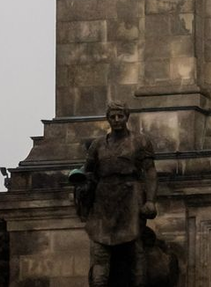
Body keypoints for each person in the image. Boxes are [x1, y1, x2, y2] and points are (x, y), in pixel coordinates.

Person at [73, 102, 158, 287]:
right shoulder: (97, 145)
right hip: (103, 199)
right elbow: (87, 170)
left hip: (130, 195)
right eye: (113, 116)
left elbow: (150, 172)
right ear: (108, 119)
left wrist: (150, 200)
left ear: (127, 117)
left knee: (135, 249)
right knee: (100, 249)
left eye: (120, 116)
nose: (117, 120)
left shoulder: (141, 141)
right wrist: (78, 180)